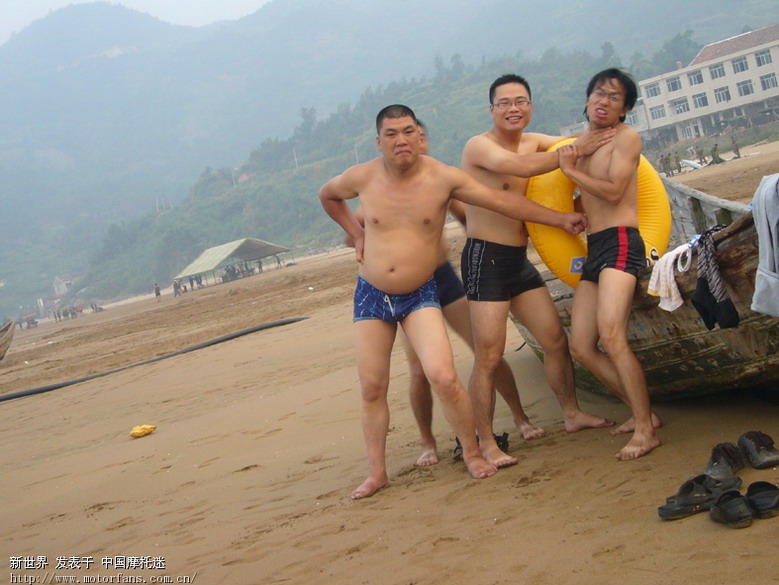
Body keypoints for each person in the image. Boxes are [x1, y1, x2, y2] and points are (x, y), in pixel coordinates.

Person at [319, 104, 588, 498]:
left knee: (443, 376)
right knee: (372, 386)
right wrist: (356, 234)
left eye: (408, 130)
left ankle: (475, 452)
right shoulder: (363, 177)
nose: (401, 139)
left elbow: (501, 202)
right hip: (372, 295)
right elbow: (327, 196)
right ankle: (377, 473)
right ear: (379, 142)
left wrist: (559, 219)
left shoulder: (442, 178)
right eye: (391, 133)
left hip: (421, 292)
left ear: (419, 134)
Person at [347, 121, 545, 468]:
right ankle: (427, 442)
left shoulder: (441, 180)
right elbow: (357, 224)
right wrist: (367, 240)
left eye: (419, 136)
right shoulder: (381, 184)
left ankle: (520, 416)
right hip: (400, 288)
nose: (413, 143)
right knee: (421, 370)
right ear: (385, 143)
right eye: (402, 136)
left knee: (485, 350)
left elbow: (472, 217)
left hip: (442, 278)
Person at [460, 74, 615, 468]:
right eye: (505, 102)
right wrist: (576, 148)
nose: (514, 108)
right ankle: (484, 441)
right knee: (489, 356)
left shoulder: (537, 140)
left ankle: (572, 413)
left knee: (555, 341)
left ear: (530, 105)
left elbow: (573, 146)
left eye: (521, 101)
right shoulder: (480, 146)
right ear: (491, 109)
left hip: (518, 260)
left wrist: (605, 132)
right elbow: (523, 167)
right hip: (486, 259)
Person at [557, 68, 662, 460]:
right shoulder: (579, 145)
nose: (603, 101)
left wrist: (570, 170)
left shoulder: (626, 138)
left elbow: (617, 191)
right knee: (582, 346)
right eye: (598, 93)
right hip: (595, 245)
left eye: (614, 97)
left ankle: (645, 431)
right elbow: (582, 196)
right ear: (587, 99)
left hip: (621, 241)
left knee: (612, 336)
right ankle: (643, 416)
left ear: (626, 108)